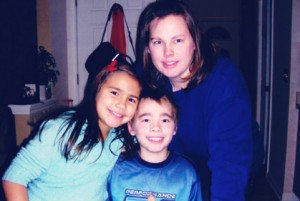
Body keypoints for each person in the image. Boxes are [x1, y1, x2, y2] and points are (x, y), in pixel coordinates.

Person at [135, 0, 253, 200]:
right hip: (176, 170)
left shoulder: (223, 81)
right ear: (148, 48)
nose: (168, 52)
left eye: (177, 40)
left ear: (195, 42)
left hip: (221, 167)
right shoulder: (144, 77)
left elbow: (230, 164)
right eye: (158, 42)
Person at [2, 57, 142, 201]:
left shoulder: (118, 138)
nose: (121, 104)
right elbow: (13, 178)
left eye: (131, 99)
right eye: (114, 93)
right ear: (97, 88)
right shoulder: (61, 129)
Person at [106, 88, 202, 201]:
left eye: (165, 120)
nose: (156, 127)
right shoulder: (115, 168)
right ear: (131, 127)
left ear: (175, 127)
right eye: (146, 120)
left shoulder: (187, 173)